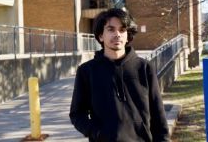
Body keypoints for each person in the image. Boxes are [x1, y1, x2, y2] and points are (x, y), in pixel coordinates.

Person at [69, 8, 169, 142]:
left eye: (122, 30)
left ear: (128, 35)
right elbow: (77, 114)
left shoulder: (144, 68)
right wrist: (98, 133)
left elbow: (158, 115)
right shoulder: (86, 71)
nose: (117, 34)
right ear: (100, 36)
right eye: (111, 29)